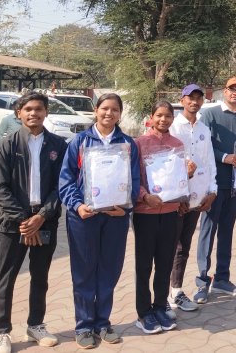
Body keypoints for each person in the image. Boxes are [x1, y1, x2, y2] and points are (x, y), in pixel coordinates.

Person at [58, 93, 141, 349]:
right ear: (96, 110)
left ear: (120, 114)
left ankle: (102, 322)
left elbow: (134, 180)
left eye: (115, 109)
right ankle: (84, 326)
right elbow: (66, 180)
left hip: (115, 217)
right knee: (84, 271)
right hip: (85, 217)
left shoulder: (128, 144)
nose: (109, 113)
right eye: (105, 108)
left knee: (109, 269)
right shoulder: (80, 141)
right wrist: (78, 205)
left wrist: (125, 207)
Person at [0, 92, 68, 353]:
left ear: (46, 112)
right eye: (28, 109)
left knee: (40, 276)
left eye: (39, 109)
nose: (34, 113)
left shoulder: (58, 145)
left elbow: (61, 185)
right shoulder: (7, 145)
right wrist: (25, 220)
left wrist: (41, 216)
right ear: (19, 113)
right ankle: (2, 332)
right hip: (14, 224)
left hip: (45, 221)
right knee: (6, 278)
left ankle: (36, 324)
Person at [194, 77, 236, 302]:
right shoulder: (209, 115)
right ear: (224, 91)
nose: (235, 93)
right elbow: (202, 146)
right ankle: (202, 282)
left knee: (227, 232)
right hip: (212, 184)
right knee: (207, 231)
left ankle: (222, 279)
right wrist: (224, 157)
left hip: (235, 186)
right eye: (231, 89)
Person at [133, 101, 187, 335]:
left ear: (173, 119)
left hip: (170, 212)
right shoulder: (139, 144)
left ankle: (159, 306)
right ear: (151, 117)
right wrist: (145, 197)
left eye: (168, 116)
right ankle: (143, 313)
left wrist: (183, 194)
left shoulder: (177, 145)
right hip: (145, 213)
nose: (163, 120)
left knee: (165, 263)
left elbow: (179, 178)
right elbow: (133, 178)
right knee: (144, 265)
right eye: (159, 115)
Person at [168, 84, 217, 316]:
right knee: (169, 246)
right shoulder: (173, 126)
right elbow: (166, 162)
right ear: (182, 100)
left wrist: (212, 191)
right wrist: (178, 194)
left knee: (183, 247)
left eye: (198, 98)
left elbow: (209, 162)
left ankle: (176, 291)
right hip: (176, 198)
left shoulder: (204, 129)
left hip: (197, 198)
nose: (194, 102)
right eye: (190, 98)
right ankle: (163, 295)